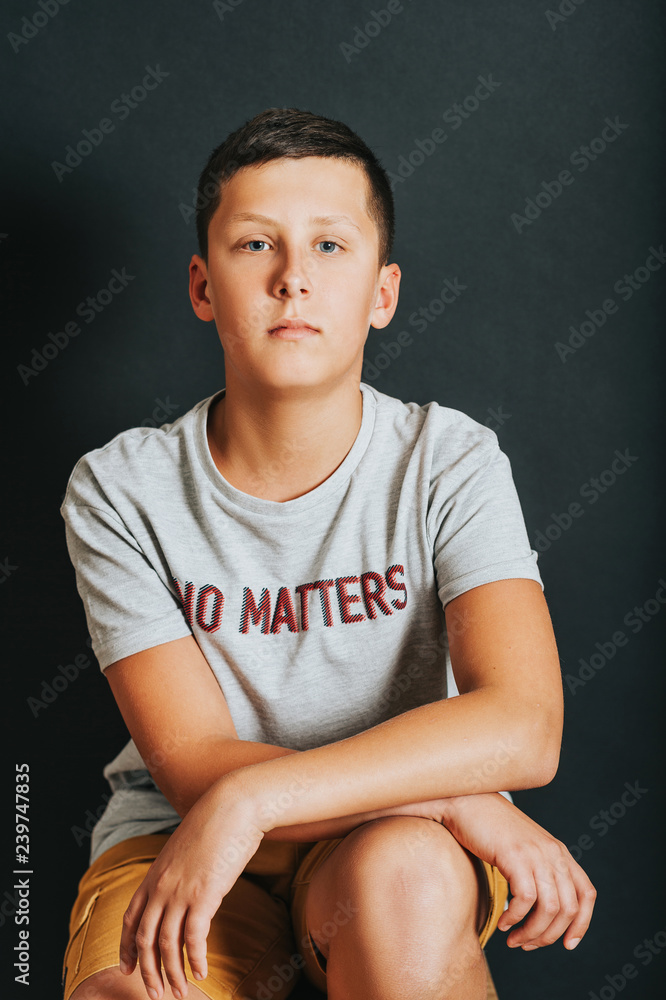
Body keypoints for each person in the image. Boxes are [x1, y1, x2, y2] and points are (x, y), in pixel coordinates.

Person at [60, 107, 596, 1000]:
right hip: (186, 827)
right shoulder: (120, 488)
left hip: (383, 843)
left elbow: (527, 728)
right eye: (255, 246)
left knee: (410, 887)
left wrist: (258, 796)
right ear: (202, 286)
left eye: (331, 248)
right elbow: (197, 766)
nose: (293, 280)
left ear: (383, 293)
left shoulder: (448, 460)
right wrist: (461, 799)